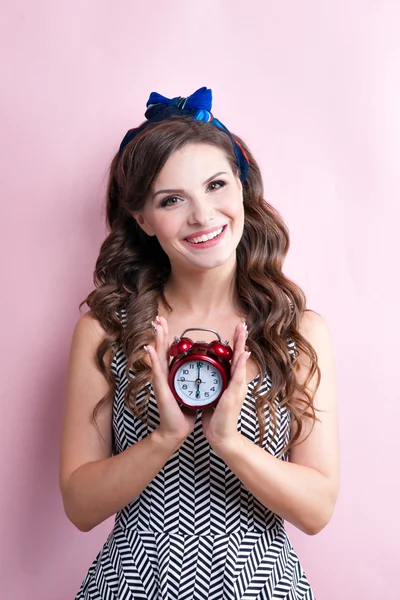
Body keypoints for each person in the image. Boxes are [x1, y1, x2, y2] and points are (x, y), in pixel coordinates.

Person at [60, 87, 339, 599]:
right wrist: (164, 439)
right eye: (171, 200)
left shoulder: (296, 331)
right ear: (143, 220)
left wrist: (229, 442)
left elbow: (317, 508)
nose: (203, 215)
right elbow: (79, 506)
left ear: (242, 189)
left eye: (216, 185)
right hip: (128, 587)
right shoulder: (105, 331)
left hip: (264, 587)